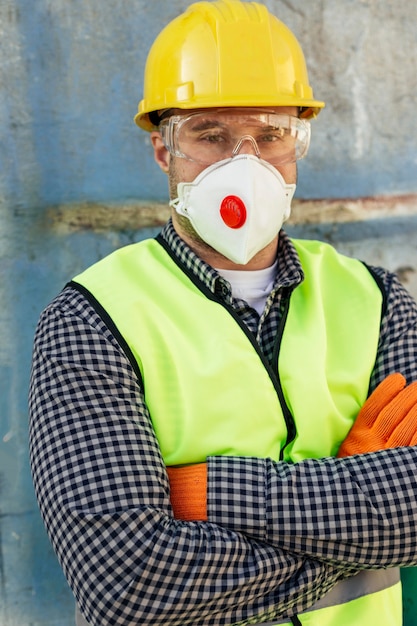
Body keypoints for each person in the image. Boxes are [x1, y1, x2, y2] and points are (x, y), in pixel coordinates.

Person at [28, 1, 417, 625]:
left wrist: (214, 493)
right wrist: (358, 504)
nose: (246, 163)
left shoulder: (376, 301)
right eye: (210, 135)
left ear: (299, 142)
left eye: (270, 134)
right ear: (163, 150)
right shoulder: (92, 319)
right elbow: (127, 586)